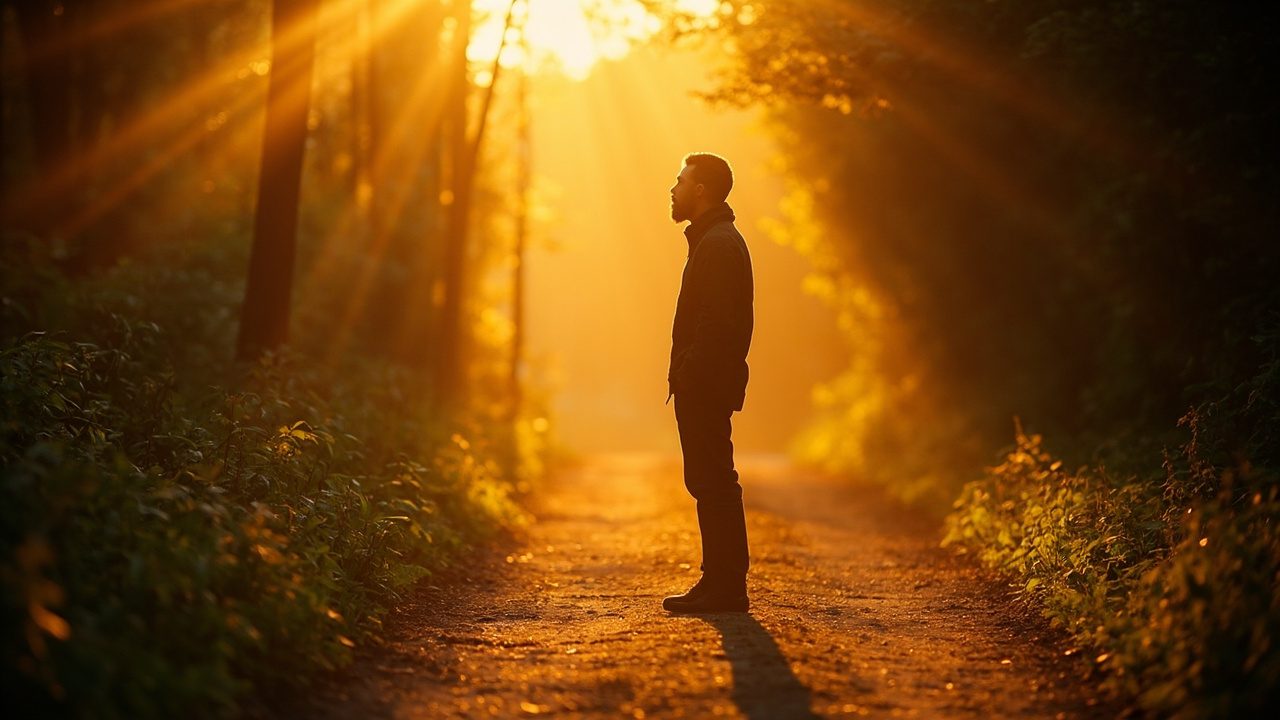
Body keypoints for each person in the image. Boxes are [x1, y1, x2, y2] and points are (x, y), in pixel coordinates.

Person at [661, 152, 754, 613]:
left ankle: (726, 588)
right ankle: (720, 583)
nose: (672, 189)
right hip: (707, 382)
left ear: (700, 191)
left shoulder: (717, 245)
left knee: (714, 481)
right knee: (710, 480)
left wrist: (689, 372)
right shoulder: (712, 239)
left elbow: (716, 326)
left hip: (707, 384)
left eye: (680, 181)